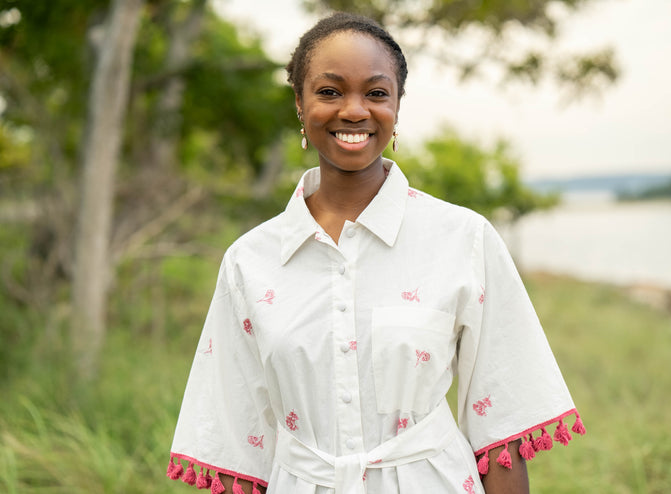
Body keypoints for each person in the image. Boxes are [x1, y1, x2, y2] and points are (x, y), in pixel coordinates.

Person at [166, 12, 585, 494]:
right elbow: (234, 437)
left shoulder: (463, 238)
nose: (354, 110)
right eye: (329, 91)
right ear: (300, 106)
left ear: (397, 106)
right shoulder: (250, 262)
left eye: (376, 93)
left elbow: (502, 424)